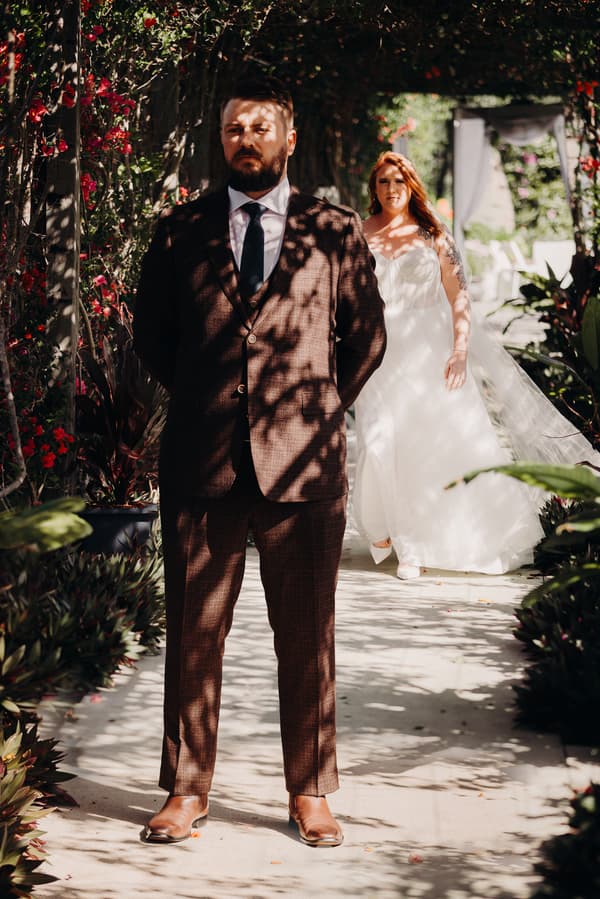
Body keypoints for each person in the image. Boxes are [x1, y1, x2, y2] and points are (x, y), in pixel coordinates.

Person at [133, 76, 386, 847]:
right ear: (222, 138)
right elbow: (154, 336)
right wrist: (214, 396)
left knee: (307, 635)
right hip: (201, 463)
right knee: (193, 631)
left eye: (261, 126)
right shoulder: (180, 230)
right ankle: (187, 787)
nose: (247, 138)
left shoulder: (335, 230)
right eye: (235, 127)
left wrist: (316, 407)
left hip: (304, 467)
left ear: (289, 137)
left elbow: (366, 337)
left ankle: (309, 791)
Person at [352, 150, 600, 579]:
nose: (391, 190)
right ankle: (382, 526)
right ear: (374, 189)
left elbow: (458, 296)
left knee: (422, 447)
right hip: (379, 352)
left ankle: (415, 543)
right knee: (377, 440)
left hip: (428, 350)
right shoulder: (360, 232)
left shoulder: (433, 234)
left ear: (411, 185)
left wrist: (460, 350)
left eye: (398, 181)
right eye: (383, 183)